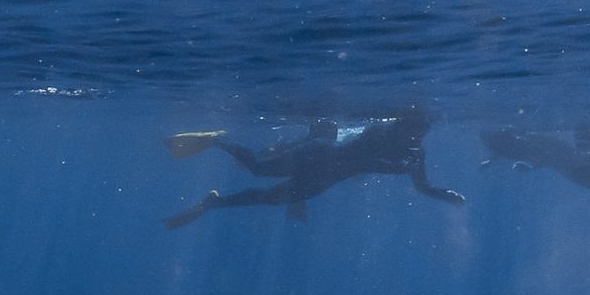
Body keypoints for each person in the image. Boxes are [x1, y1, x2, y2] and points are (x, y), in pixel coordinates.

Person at [165, 108, 462, 228]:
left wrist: (444, 194)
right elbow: (368, 160)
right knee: (258, 168)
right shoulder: (380, 133)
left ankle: (213, 204)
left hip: (326, 178)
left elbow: (422, 186)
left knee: (271, 198)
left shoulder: (415, 153)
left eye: (422, 133)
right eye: (414, 130)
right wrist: (397, 165)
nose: (417, 137)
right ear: (402, 124)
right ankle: (218, 140)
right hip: (317, 155)